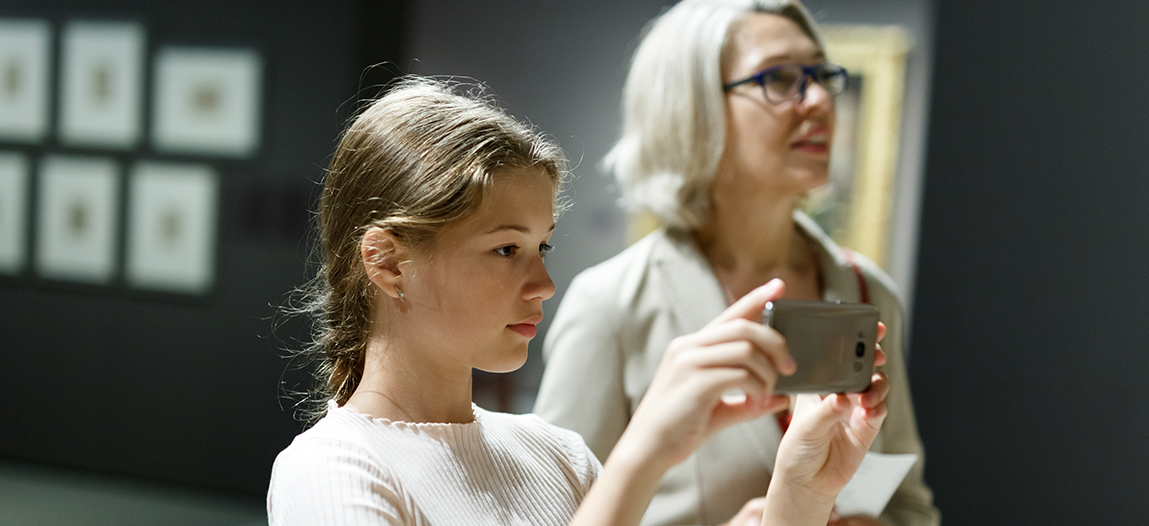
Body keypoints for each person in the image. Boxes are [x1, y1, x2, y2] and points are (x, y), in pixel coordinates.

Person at [267, 76, 892, 526]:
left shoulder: (557, 454)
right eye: (507, 250)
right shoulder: (330, 472)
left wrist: (800, 494)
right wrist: (644, 452)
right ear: (386, 261)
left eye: (544, 247)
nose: (544, 285)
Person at [533, 2, 940, 526]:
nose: (818, 100)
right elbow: (548, 515)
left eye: (821, 75)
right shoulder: (611, 304)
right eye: (782, 78)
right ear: (693, 107)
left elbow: (910, 506)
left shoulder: (867, 290)